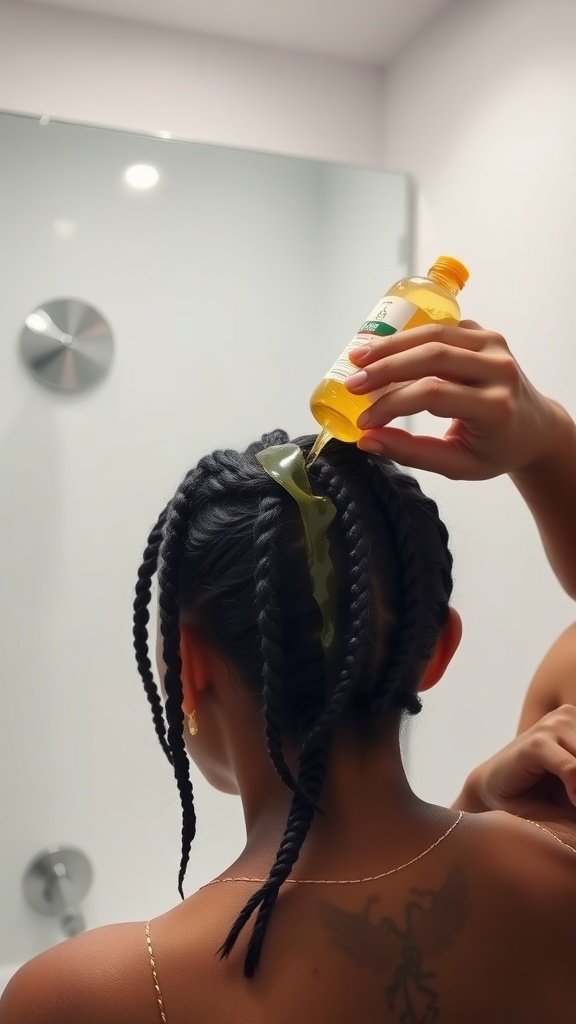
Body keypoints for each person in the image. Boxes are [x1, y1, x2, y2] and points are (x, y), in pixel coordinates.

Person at [2, 322, 576, 1024]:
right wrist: (547, 441)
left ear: (187, 666)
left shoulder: (87, 995)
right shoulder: (556, 870)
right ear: (435, 650)